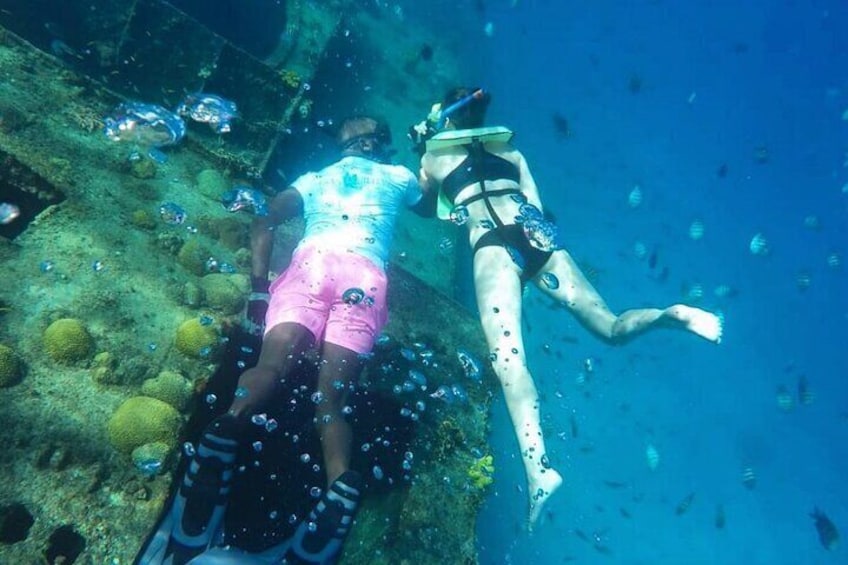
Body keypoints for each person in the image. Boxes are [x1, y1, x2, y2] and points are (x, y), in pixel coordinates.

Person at [416, 87, 723, 528]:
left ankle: (539, 469)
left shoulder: (433, 157)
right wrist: (532, 269)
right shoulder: (513, 152)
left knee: (509, 360)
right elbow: (536, 208)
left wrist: (424, 140)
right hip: (536, 236)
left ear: (447, 114)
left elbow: (426, 206)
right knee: (611, 326)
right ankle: (669, 315)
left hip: (490, 245)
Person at [137, 115, 428, 564]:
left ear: (341, 147)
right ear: (382, 146)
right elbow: (430, 202)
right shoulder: (398, 176)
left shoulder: (315, 179)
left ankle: (229, 425)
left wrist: (258, 287)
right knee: (331, 401)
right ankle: (338, 485)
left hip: (311, 264)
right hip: (365, 277)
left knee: (271, 367)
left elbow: (265, 220)